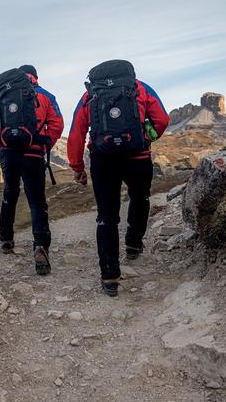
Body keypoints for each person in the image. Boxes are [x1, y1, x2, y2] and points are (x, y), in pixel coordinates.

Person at [66, 59, 169, 296]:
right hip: (138, 156)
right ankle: (133, 244)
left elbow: (76, 134)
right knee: (140, 198)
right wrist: (146, 136)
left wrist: (77, 167)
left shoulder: (89, 95)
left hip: (103, 160)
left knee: (107, 216)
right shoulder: (140, 88)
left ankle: (110, 276)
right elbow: (162, 119)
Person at [0, 65, 64, 275]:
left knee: (10, 193)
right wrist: (44, 144)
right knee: (36, 200)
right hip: (33, 153)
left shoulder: (3, 93)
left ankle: (6, 240)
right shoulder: (45, 95)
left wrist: (2, 144)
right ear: (35, 77)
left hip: (9, 153)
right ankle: (40, 246)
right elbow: (57, 123)